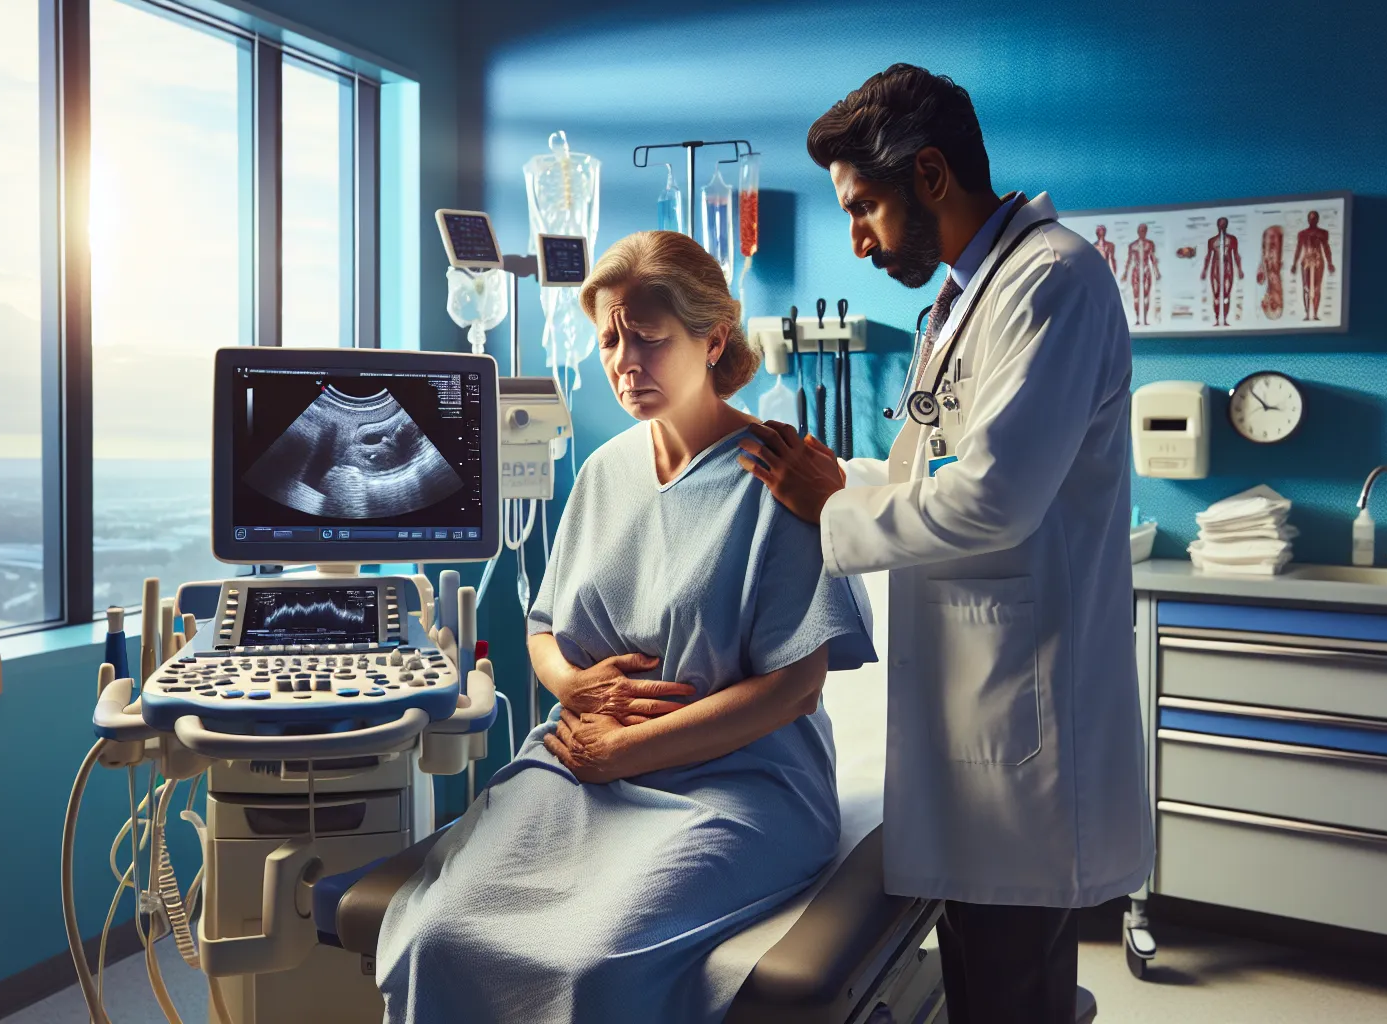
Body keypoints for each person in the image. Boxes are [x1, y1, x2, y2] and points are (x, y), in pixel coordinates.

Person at [738, 63, 1151, 1024]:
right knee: (982, 975)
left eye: (864, 207)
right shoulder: (965, 298)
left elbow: (994, 499)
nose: (857, 238)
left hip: (1024, 715)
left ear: (929, 174)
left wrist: (831, 510)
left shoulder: (1052, 280)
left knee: (1011, 990)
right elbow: (934, 471)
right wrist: (840, 480)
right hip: (977, 710)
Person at [375, 230, 874, 1024]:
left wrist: (626, 750)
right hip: (581, 766)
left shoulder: (778, 477)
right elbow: (542, 629)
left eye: (649, 338)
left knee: (592, 960)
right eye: (610, 340)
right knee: (438, 933)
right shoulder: (603, 470)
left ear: (714, 340)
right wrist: (575, 688)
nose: (624, 362)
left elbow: (794, 690)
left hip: (737, 785)